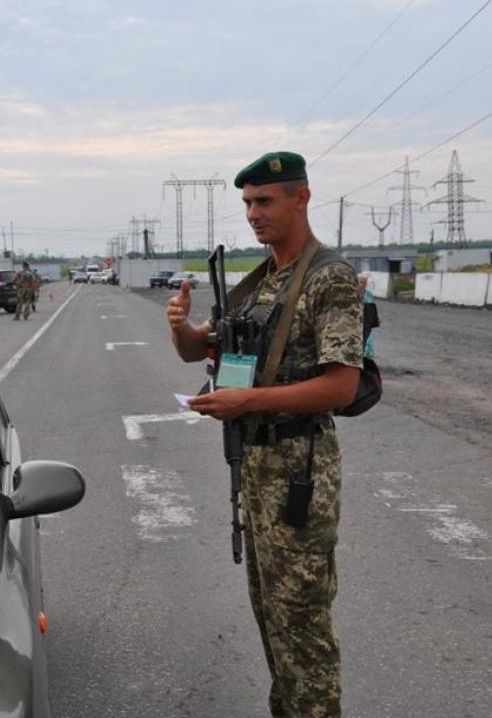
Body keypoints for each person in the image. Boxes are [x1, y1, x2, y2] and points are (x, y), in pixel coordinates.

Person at [166, 151, 362, 718]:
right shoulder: (260, 281)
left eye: (265, 201)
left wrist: (246, 400)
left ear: (301, 198)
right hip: (256, 472)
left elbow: (341, 387)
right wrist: (180, 327)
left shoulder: (330, 279)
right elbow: (198, 349)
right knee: (271, 617)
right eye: (248, 203)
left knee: (302, 625)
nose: (253, 214)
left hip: (300, 471)